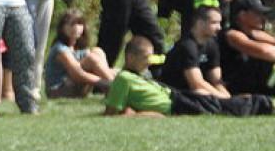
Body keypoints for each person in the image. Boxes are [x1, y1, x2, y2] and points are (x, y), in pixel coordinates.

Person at [106, 35, 271, 116]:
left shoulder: (135, 76)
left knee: (219, 105)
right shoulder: (123, 79)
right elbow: (113, 112)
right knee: (219, 107)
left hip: (177, 98)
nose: (150, 62)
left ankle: (264, 104)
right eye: (146, 58)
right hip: (176, 104)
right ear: (130, 57)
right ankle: (264, 104)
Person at [157, 6, 229, 97]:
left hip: (195, 91)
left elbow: (216, 80)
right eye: (214, 23)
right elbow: (196, 83)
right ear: (200, 23)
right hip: (176, 93)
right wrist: (223, 99)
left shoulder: (212, 44)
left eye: (220, 23)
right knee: (200, 92)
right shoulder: (187, 46)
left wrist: (227, 96)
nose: (219, 28)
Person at [44, 8, 113, 98]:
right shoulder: (60, 49)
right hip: (58, 90)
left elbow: (99, 67)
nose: (76, 28)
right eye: (72, 24)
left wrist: (114, 73)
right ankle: (115, 89)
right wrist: (105, 83)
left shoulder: (80, 47)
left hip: (75, 87)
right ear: (62, 27)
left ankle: (113, 91)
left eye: (80, 24)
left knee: (97, 51)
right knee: (91, 58)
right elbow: (76, 73)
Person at [219, 0, 275, 95]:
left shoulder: (255, 33)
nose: (262, 18)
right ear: (242, 15)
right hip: (233, 85)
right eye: (257, 14)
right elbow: (265, 52)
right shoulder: (232, 34)